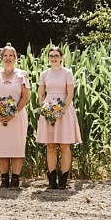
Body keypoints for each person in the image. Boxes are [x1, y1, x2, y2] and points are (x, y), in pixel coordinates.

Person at [35, 46, 81, 190]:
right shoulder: (44, 74)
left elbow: (70, 94)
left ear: (61, 58)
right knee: (50, 146)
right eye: (51, 56)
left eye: (56, 55)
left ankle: (63, 180)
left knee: (64, 145)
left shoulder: (67, 73)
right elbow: (41, 94)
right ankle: (51, 181)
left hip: (64, 111)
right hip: (48, 111)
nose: (53, 58)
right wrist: (46, 109)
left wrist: (60, 111)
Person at [0, 44, 30, 188]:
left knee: (16, 146)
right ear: (1, 58)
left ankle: (15, 179)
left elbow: (25, 97)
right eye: (5, 55)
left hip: (17, 116)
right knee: (2, 146)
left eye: (11, 55)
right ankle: (4, 179)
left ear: (15, 58)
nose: (8, 58)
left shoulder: (21, 75)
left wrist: (14, 112)